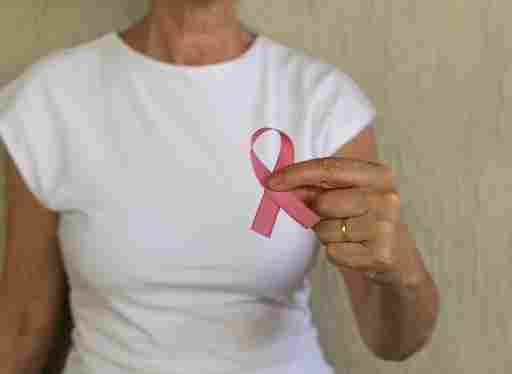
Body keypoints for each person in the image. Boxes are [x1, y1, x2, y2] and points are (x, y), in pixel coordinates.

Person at [0, 0, 440, 373]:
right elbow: (23, 326)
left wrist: (403, 270)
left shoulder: (323, 102)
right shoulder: (49, 99)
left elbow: (392, 340)